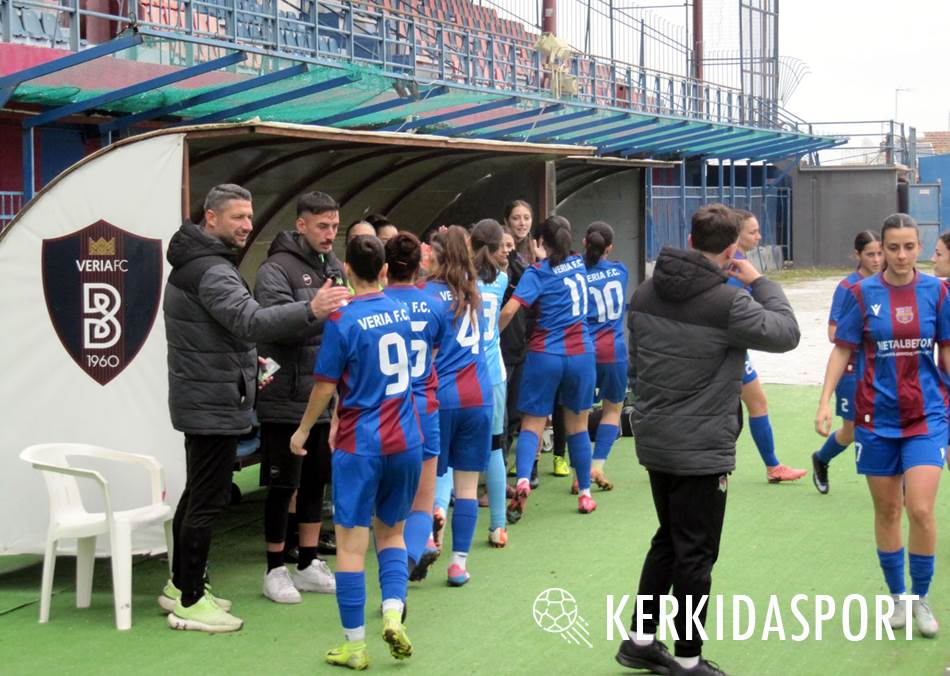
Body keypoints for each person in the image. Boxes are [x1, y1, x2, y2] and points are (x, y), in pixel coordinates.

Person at [617, 204, 799, 675]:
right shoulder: (728, 302)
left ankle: (640, 640)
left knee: (669, 539)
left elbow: (635, 365)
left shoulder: (644, 292)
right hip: (700, 448)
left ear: (690, 238)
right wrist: (760, 282)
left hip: (656, 439)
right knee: (695, 554)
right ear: (733, 248)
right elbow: (787, 332)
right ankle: (687, 658)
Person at [161, 184, 349, 632]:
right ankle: (190, 599)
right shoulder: (212, 269)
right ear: (211, 218)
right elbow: (250, 320)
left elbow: (230, 328)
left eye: (249, 216)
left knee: (197, 494)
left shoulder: (204, 263)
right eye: (238, 217)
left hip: (209, 395)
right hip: (212, 401)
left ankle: (180, 584)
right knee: (207, 500)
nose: (247, 225)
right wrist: (312, 309)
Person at [292, 234, 422, 669]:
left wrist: (304, 431)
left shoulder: (343, 320)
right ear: (384, 271)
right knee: (393, 534)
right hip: (406, 440)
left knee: (350, 545)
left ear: (346, 270)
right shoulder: (403, 312)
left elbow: (325, 384)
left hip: (360, 443)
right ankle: (393, 614)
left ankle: (355, 646)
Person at [816, 213, 947, 638]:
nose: (901, 255)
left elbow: (946, 351)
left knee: (920, 508)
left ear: (919, 247)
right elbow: (842, 350)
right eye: (893, 248)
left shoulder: (937, 292)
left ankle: (921, 597)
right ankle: (898, 598)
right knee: (888, 509)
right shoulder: (861, 293)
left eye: (909, 247)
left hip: (927, 415)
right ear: (881, 251)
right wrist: (824, 401)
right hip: (875, 418)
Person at [254, 191, 343, 603]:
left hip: (320, 395)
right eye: (322, 226)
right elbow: (270, 325)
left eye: (335, 226)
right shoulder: (275, 269)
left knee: (314, 481)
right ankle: (274, 569)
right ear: (301, 224)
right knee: (283, 484)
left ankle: (308, 563)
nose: (330, 234)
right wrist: (315, 310)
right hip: (284, 395)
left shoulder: (333, 265)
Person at [499, 215, 598, 521]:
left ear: (540, 242)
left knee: (532, 423)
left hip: (545, 355)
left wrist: (489, 335)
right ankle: (585, 494)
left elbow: (510, 310)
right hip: (581, 354)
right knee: (578, 426)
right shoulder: (579, 264)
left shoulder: (537, 272)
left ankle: (523, 481)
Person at [424, 226, 493, 586]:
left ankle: (426, 533)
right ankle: (458, 565)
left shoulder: (426, 296)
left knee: (428, 480)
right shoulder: (472, 290)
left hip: (442, 397)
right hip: (479, 395)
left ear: (436, 256)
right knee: (467, 487)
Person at [729, 209, 806, 483]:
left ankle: (772, 466)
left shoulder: (735, 261)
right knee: (755, 403)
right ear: (736, 234)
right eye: (753, 232)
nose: (759, 236)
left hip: (733, 348)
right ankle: (772, 466)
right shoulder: (734, 265)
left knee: (754, 403)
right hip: (729, 348)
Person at [383, 232, 443, 580]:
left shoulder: (373, 305)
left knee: (386, 506)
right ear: (420, 266)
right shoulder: (434, 305)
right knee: (423, 501)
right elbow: (434, 353)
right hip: (423, 406)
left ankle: (393, 570)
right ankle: (402, 572)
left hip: (384, 410)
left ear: (385, 267)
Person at [811, 230, 883, 494]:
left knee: (886, 424)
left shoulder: (888, 284)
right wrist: (868, 333)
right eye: (870, 254)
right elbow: (833, 333)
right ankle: (821, 458)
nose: (877, 259)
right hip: (852, 371)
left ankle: (893, 482)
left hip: (883, 368)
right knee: (851, 431)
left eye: (880, 253)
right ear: (857, 255)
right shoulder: (847, 288)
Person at [500, 202, 545, 486]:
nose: (522, 222)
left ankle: (531, 466)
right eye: (516, 218)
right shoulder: (501, 260)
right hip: (506, 342)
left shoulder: (534, 254)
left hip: (527, 340)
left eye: (526, 217)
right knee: (505, 413)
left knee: (525, 410)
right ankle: (500, 470)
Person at [582, 221, 629, 491]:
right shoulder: (621, 271)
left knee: (578, 413)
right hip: (614, 351)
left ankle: (579, 473)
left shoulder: (577, 274)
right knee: (613, 409)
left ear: (584, 243)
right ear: (609, 247)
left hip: (585, 351)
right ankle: (597, 465)